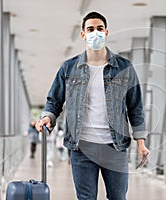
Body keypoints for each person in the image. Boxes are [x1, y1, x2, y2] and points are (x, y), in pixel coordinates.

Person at [35, 11, 150, 200]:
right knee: (86, 198)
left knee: (118, 197)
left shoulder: (124, 67)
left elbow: (135, 107)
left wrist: (141, 143)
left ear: (106, 33)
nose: (95, 32)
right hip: (82, 147)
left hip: (115, 146)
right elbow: (54, 101)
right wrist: (47, 117)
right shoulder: (68, 67)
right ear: (83, 34)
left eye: (99, 28)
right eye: (90, 29)